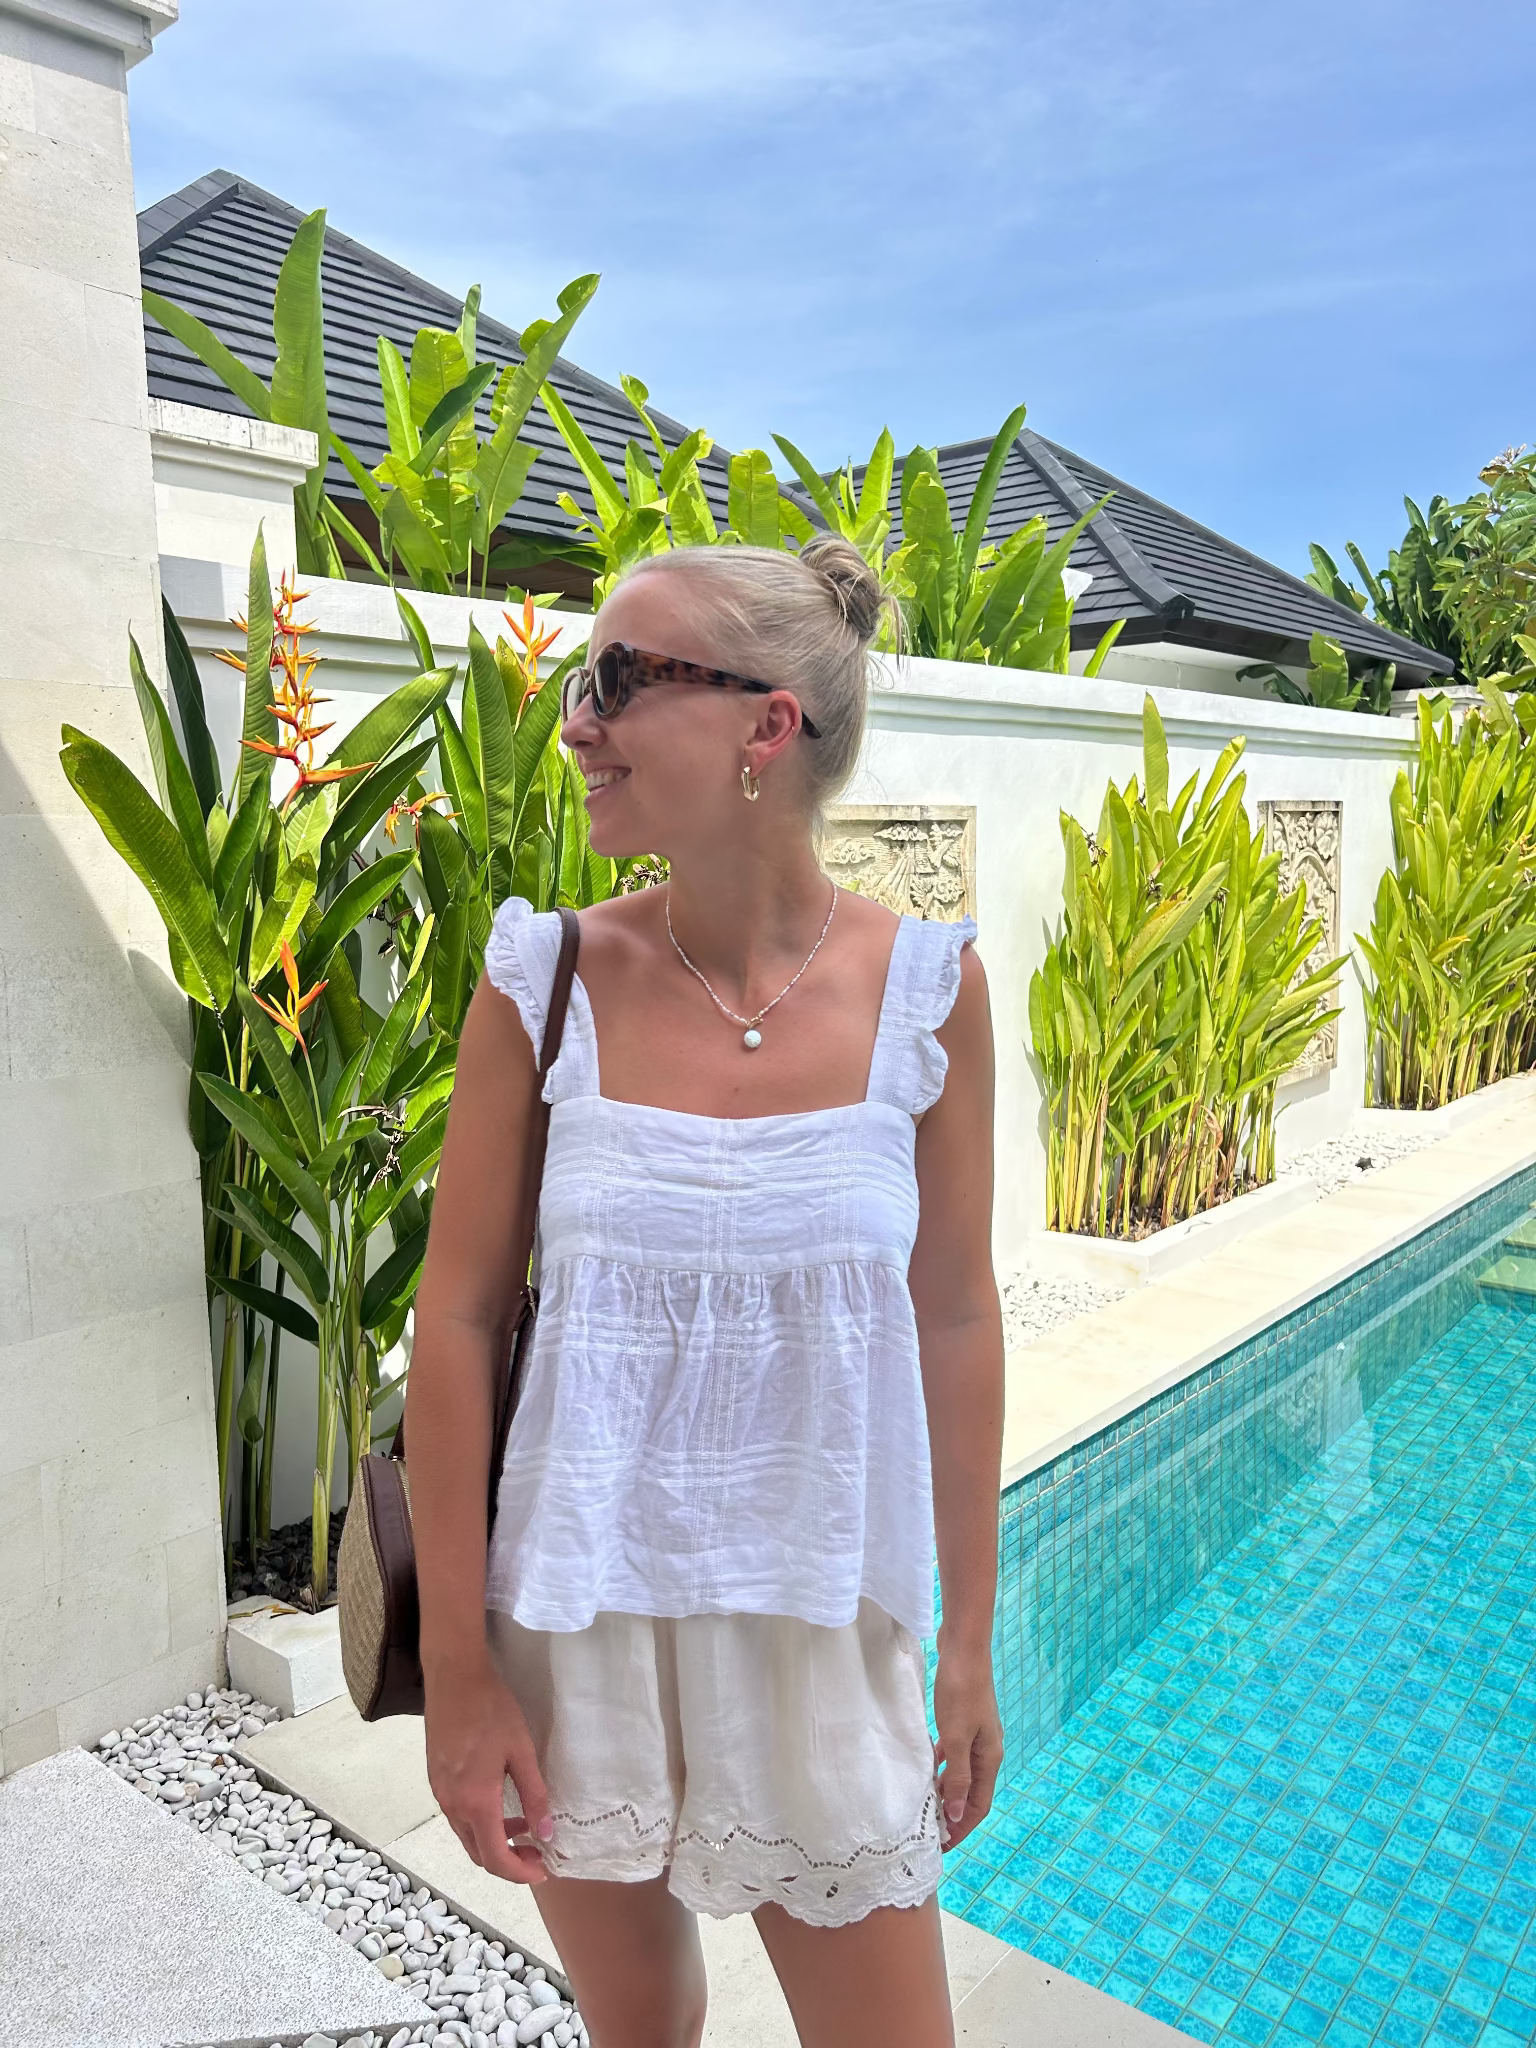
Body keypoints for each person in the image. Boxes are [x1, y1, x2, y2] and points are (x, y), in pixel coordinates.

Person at [406, 535, 1005, 2048]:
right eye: (577, 683)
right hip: (578, 1624)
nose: (577, 722)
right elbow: (459, 1319)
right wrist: (463, 1680)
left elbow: (955, 1312)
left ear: (764, 725)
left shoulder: (928, 991)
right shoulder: (541, 980)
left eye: (616, 679)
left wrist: (975, 1637)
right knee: (644, 2035)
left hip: (822, 1624)